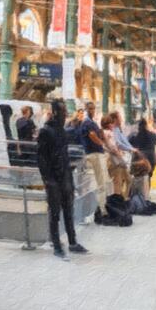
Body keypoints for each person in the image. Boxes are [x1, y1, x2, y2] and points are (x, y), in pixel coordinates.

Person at [37, 99, 88, 259]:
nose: (66, 113)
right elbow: (41, 158)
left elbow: (64, 153)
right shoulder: (46, 131)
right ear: (56, 112)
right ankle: (56, 244)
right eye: (63, 111)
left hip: (65, 176)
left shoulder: (62, 130)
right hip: (53, 178)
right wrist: (47, 179)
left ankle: (72, 242)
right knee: (54, 213)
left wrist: (69, 170)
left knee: (68, 210)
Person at [79, 102, 109, 221]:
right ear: (86, 109)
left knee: (102, 182)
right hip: (95, 154)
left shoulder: (90, 122)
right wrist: (101, 143)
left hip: (95, 153)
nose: (92, 110)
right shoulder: (88, 122)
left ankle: (102, 208)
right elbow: (92, 135)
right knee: (101, 182)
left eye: (93, 108)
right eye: (90, 108)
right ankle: (102, 210)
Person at [101, 114, 130, 200]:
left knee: (124, 180)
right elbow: (112, 147)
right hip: (114, 160)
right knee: (117, 182)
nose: (113, 125)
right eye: (111, 123)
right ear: (108, 124)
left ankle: (122, 199)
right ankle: (119, 202)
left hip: (115, 160)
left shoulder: (107, 133)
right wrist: (119, 153)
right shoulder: (108, 133)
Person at [129, 118, 156, 188]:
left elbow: (128, 143)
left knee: (138, 176)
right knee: (148, 175)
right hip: (152, 158)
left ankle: (139, 192)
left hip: (139, 157)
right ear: (146, 125)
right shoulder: (151, 134)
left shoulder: (134, 135)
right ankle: (146, 192)